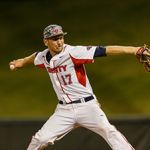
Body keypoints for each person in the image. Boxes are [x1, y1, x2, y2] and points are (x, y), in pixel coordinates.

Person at [9, 24, 139, 150]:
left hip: (87, 106)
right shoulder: (44, 56)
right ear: (45, 42)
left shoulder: (73, 52)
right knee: (40, 139)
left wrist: (134, 50)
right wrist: (21, 61)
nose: (59, 41)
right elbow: (35, 56)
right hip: (64, 110)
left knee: (109, 131)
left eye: (61, 37)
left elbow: (104, 50)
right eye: (55, 39)